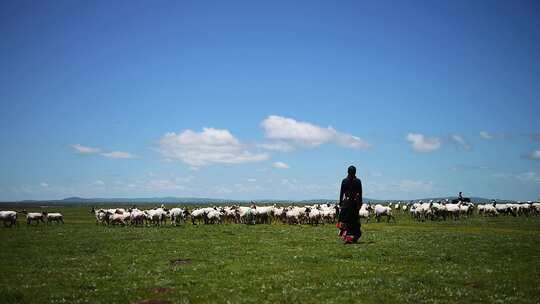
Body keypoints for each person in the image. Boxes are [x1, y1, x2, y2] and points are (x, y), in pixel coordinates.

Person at [337, 165, 363, 244]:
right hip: (354, 204)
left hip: (346, 203)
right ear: (355, 172)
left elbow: (341, 193)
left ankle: (346, 236)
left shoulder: (344, 181)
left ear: (348, 172)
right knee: (354, 221)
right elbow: (360, 193)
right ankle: (352, 237)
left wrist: (341, 202)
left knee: (345, 220)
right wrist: (360, 203)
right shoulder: (358, 181)